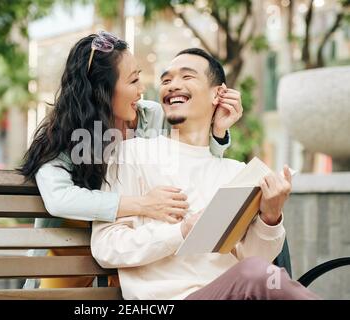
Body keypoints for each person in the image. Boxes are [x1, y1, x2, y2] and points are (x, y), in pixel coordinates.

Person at [91, 48, 320, 300]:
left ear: (218, 94)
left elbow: (256, 259)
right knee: (256, 274)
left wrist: (271, 215)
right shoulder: (131, 154)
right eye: (166, 80)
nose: (172, 86)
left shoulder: (236, 172)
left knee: (259, 273)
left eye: (187, 77)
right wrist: (181, 232)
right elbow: (106, 246)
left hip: (235, 293)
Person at [19, 32, 243, 289]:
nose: (142, 89)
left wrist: (217, 132)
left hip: (136, 255)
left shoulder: (152, 117)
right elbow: (59, 198)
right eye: (134, 80)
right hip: (74, 247)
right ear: (103, 90)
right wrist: (141, 204)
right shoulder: (64, 135)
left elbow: (194, 163)